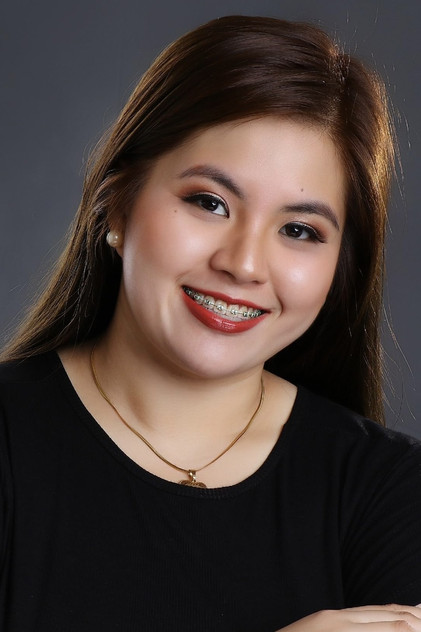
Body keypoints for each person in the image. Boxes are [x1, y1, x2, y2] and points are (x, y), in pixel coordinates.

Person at [1, 14, 421, 632]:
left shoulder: (393, 491)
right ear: (116, 204)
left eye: (299, 230)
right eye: (209, 202)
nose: (244, 264)